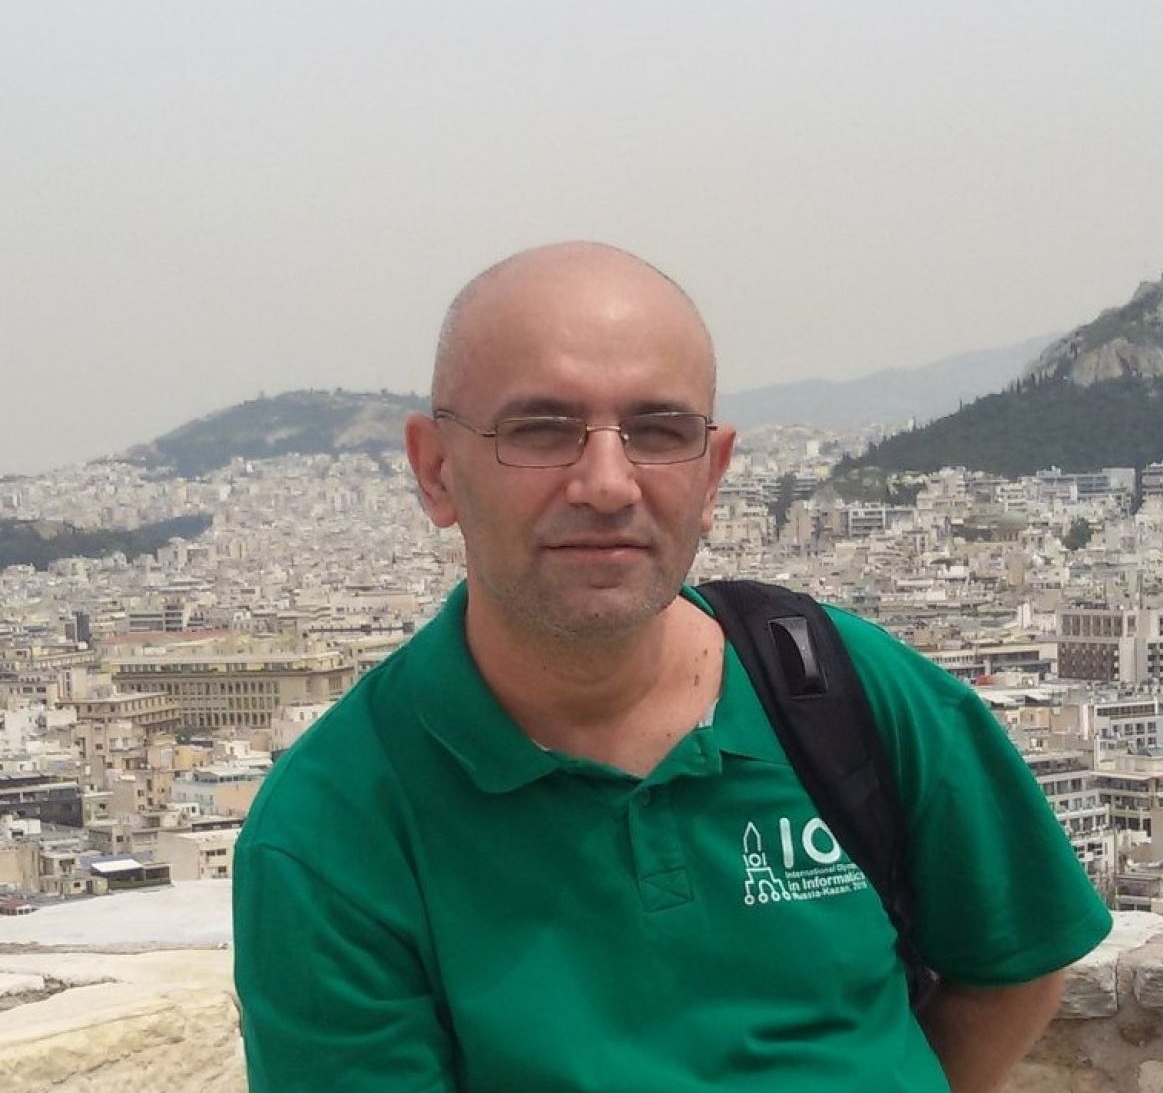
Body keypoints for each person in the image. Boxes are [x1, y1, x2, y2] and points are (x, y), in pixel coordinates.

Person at [233, 241, 1112, 1092]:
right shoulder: (335, 828)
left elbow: (1015, 964)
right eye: (541, 430)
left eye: (658, 431)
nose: (608, 483)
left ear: (713, 474)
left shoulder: (837, 684)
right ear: (436, 472)